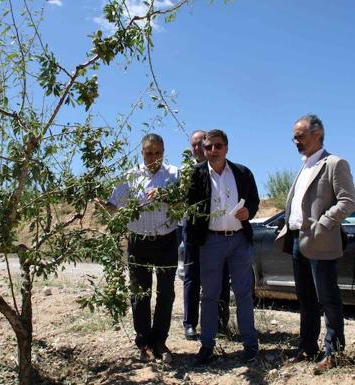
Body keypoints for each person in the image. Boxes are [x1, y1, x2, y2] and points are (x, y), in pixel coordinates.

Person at [274, 114, 355, 374]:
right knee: (306, 298)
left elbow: (348, 201)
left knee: (328, 298)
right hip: (298, 240)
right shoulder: (303, 166)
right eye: (294, 137)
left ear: (318, 133)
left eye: (300, 136)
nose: (296, 141)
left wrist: (323, 223)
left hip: (320, 240)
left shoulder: (334, 163)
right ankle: (307, 346)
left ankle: (334, 351)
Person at [186, 129, 260, 365]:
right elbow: (189, 208)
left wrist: (250, 212)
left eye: (218, 146)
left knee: (243, 293)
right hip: (211, 241)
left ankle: (250, 343)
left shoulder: (242, 172)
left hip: (239, 240)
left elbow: (255, 202)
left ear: (226, 148)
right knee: (209, 294)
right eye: (208, 147)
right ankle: (207, 344)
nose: (213, 151)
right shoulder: (196, 175)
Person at [108, 133, 179, 363]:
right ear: (142, 152)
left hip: (167, 240)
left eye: (157, 153)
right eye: (149, 152)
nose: (153, 157)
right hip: (138, 241)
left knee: (166, 292)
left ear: (163, 152)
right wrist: (98, 201)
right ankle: (144, 342)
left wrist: (166, 194)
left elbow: (184, 204)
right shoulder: (130, 176)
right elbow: (113, 206)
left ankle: (160, 340)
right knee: (140, 293)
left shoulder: (174, 175)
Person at [182, 129, 231, 340]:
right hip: (193, 232)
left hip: (218, 234)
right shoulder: (187, 173)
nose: (197, 147)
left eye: (200, 142)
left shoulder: (224, 170)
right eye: (193, 144)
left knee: (220, 278)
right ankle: (190, 323)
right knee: (192, 278)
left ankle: (220, 323)